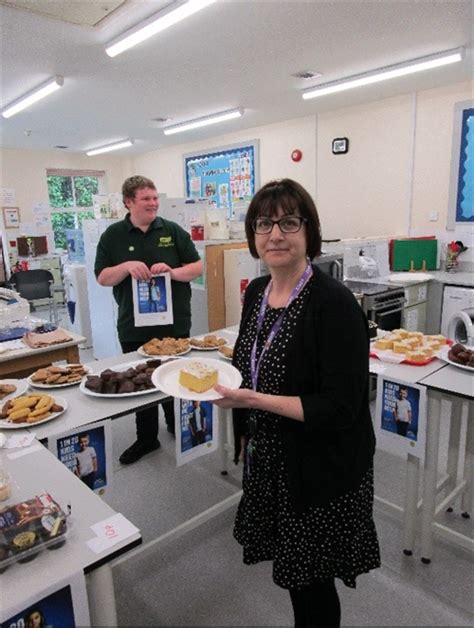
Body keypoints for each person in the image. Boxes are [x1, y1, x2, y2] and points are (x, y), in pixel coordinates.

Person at [213, 179, 380, 627]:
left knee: (312, 582)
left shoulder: (334, 303)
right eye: (264, 223)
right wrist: (244, 422)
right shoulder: (256, 294)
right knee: (293, 574)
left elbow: (341, 407)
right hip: (273, 459)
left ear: (309, 232)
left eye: (289, 221)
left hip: (322, 469)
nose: (275, 234)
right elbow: (250, 363)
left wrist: (254, 400)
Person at [95, 175, 202, 464]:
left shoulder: (172, 231)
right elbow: (103, 277)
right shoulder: (112, 235)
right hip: (133, 325)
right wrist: (126, 266)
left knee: (175, 376)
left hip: (174, 323)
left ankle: (175, 425)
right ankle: (146, 438)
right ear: (129, 202)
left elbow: (197, 266)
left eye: (155, 198)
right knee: (138, 382)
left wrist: (172, 272)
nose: (153, 203)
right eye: (146, 199)